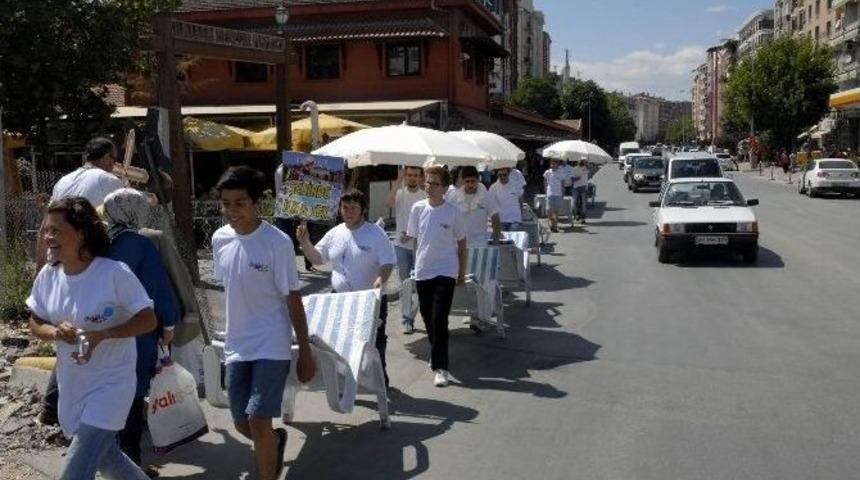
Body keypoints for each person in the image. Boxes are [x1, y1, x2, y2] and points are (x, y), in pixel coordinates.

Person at [27, 197, 156, 480]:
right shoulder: (48, 277)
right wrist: (54, 332)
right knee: (110, 463)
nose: (48, 237)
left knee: (75, 472)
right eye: (47, 230)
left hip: (111, 387)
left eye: (56, 230)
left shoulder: (113, 274)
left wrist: (104, 334)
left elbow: (148, 320)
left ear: (81, 232)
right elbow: (34, 321)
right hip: (73, 387)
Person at [211, 166, 316, 480]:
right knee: (243, 423)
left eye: (240, 203)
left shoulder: (277, 242)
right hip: (237, 344)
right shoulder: (220, 239)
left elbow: (293, 298)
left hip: (272, 342)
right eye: (226, 203)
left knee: (258, 418)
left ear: (256, 203)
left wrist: (306, 351)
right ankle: (276, 440)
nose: (232, 211)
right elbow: (231, 290)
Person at [37, 137, 125, 427]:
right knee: (85, 328)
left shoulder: (64, 180)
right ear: (109, 158)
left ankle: (53, 407)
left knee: (69, 328)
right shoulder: (108, 180)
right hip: (88, 260)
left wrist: (43, 264)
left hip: (61, 261)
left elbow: (46, 226)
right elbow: (124, 212)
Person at [102, 189, 179, 478]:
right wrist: (168, 324)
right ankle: (130, 468)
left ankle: (116, 462)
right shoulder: (140, 243)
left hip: (107, 329)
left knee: (113, 401)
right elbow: (156, 288)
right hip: (139, 329)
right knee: (132, 400)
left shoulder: (104, 240)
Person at [296, 189, 396, 386]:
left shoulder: (376, 233)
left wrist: (380, 279)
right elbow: (317, 258)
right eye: (344, 207)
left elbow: (388, 262)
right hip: (340, 299)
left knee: (374, 342)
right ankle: (347, 380)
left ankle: (379, 380)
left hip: (370, 299)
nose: (348, 211)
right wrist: (305, 241)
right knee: (341, 342)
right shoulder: (335, 232)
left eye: (353, 207)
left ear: (363, 210)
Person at [406, 166, 466, 388]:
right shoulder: (417, 208)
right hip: (423, 271)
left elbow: (462, 244)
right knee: (427, 316)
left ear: (444, 187)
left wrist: (460, 272)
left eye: (433, 184)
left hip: (446, 270)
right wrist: (415, 266)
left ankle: (441, 367)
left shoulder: (453, 211)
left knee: (439, 319)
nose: (428, 187)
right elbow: (414, 240)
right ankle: (436, 350)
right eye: (427, 183)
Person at [385, 166, 426, 334]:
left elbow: (426, 223)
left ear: (421, 178)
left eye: (416, 175)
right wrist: (398, 180)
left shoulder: (425, 196)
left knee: (419, 284)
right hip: (401, 246)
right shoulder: (400, 193)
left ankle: (413, 313)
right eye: (409, 175)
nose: (412, 178)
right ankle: (407, 319)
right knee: (404, 284)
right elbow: (388, 203)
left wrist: (412, 235)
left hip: (419, 246)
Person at [447, 166, 501, 246]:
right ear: (462, 181)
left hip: (479, 243)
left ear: (478, 180)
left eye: (473, 181)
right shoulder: (453, 196)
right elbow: (447, 218)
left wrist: (496, 240)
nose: (470, 184)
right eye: (467, 181)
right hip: (458, 244)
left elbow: (495, 217)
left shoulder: (487, 195)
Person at [488, 167, 525, 231]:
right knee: (503, 241)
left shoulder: (516, 185)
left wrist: (521, 215)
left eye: (504, 175)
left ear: (508, 174)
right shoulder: (493, 188)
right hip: (500, 220)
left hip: (514, 219)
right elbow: (491, 205)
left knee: (513, 240)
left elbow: (520, 200)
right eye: (500, 175)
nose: (502, 177)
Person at [543, 160, 565, 233]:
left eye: (555, 163)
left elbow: (562, 183)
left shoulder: (561, 172)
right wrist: (546, 191)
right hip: (550, 193)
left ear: (557, 164)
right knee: (548, 211)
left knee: (556, 211)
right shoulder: (547, 172)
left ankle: (555, 226)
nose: (553, 164)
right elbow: (545, 182)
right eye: (552, 163)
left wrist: (562, 193)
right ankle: (552, 223)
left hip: (558, 194)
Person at [571, 159, 590, 224]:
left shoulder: (586, 168)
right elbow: (572, 179)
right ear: (577, 161)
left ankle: (583, 218)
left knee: (584, 203)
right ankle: (576, 215)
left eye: (583, 161)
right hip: (576, 188)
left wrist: (586, 164)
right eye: (580, 161)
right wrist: (577, 178)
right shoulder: (574, 169)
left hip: (584, 187)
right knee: (574, 203)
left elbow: (589, 170)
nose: (582, 162)